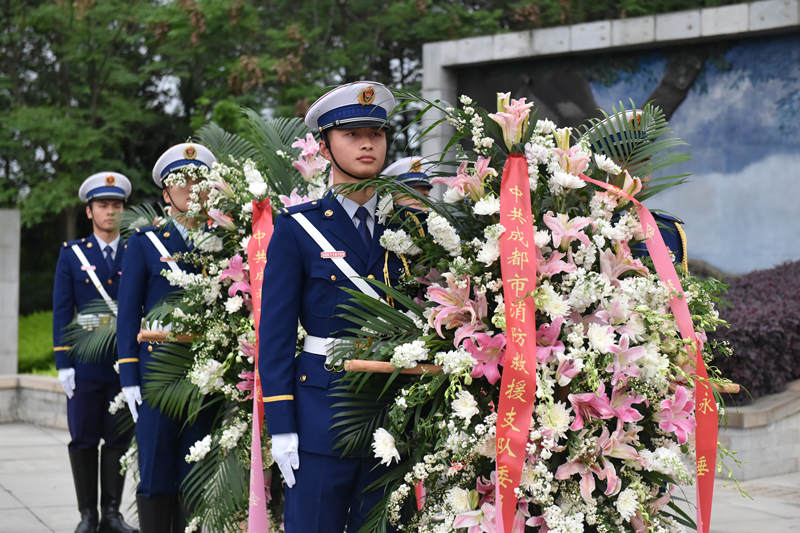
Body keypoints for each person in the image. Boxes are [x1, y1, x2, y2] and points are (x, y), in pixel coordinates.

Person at [259, 81, 405, 533]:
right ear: (324, 146)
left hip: (391, 414)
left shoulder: (411, 227)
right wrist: (281, 425)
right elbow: (277, 337)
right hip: (322, 415)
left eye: (376, 134)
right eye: (352, 133)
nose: (367, 143)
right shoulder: (297, 228)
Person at [116, 143, 217, 532]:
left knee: (195, 470)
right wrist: (129, 375)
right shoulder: (145, 241)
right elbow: (128, 313)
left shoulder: (222, 240)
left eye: (198, 180)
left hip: (206, 374)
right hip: (157, 374)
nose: (192, 188)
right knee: (156, 473)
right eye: (182, 181)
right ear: (165, 193)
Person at [53, 172, 138, 533]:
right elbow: (61, 311)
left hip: (125, 363)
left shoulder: (137, 250)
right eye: (103, 205)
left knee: (118, 440)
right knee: (84, 439)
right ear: (89, 211)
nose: (111, 212)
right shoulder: (73, 255)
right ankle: (87, 514)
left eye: (117, 205)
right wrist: (63, 362)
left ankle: (113, 514)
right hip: (86, 364)